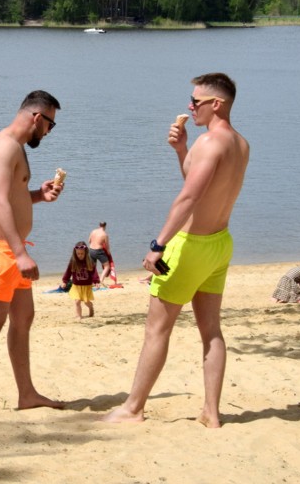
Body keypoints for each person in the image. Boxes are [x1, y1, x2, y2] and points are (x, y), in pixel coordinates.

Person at [103, 73, 249, 429]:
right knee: (211, 330)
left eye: (195, 101)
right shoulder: (240, 144)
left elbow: (188, 197)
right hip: (219, 244)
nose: (189, 106)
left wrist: (158, 246)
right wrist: (182, 149)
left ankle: (133, 408)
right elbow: (200, 183)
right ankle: (212, 413)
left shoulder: (210, 142)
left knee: (157, 329)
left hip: (189, 246)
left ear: (217, 103)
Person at [0, 89, 65, 417]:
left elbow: (13, 195)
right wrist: (20, 253)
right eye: (50, 125)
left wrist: (38, 195)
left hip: (13, 249)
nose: (49, 132)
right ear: (37, 117)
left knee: (23, 319)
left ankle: (27, 394)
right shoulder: (5, 146)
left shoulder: (14, 147)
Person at [61, 241, 100, 319]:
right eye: (78, 254)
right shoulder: (73, 262)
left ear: (86, 252)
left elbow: (93, 272)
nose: (80, 255)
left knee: (86, 302)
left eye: (82, 254)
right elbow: (68, 272)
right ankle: (79, 315)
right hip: (76, 286)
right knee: (77, 301)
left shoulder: (89, 261)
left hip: (87, 286)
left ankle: (91, 307)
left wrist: (96, 281)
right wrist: (64, 281)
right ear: (75, 253)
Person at [88, 222, 111, 286]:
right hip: (99, 251)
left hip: (91, 250)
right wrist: (108, 253)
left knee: (93, 267)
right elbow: (107, 246)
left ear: (99, 225)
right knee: (107, 266)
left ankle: (92, 281)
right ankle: (100, 280)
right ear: (105, 226)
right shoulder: (104, 234)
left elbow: (89, 241)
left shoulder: (93, 231)